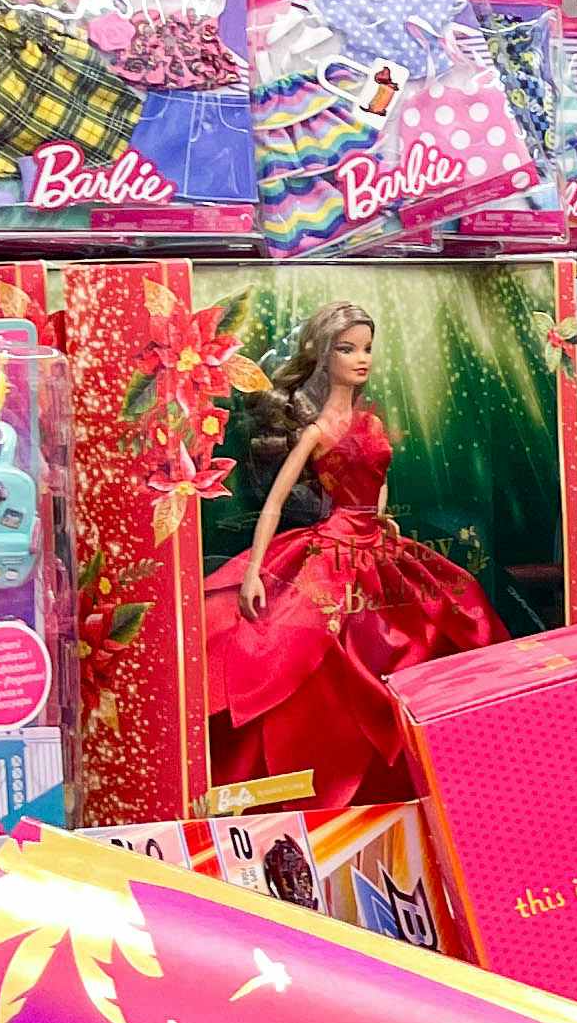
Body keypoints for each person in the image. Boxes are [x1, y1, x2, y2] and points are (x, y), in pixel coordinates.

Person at [202, 303, 498, 809]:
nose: (361, 359)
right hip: (331, 545)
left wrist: (382, 517)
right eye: (347, 348)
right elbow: (274, 503)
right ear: (322, 354)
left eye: (366, 348)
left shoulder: (373, 420)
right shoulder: (316, 429)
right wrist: (254, 570)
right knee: (317, 652)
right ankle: (320, 783)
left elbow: (377, 481)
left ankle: (442, 777)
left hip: (376, 543)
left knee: (442, 615)